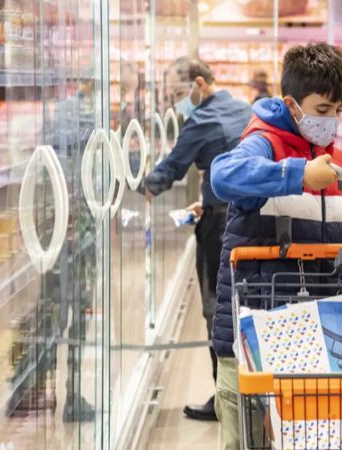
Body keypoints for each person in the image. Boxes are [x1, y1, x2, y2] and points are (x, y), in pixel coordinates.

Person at [209, 43, 342, 450]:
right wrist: (296, 174)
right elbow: (223, 175)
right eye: (323, 109)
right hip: (250, 334)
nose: (331, 120)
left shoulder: (338, 160)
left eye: (338, 110)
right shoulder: (264, 142)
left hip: (315, 336)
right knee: (245, 439)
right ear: (292, 105)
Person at [143, 57, 252, 421]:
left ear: (200, 83)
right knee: (244, 305)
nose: (176, 100)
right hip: (247, 218)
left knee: (216, 309)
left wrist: (136, 186)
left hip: (220, 227)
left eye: (179, 92)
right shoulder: (242, 108)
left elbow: (171, 168)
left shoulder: (201, 119)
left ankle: (225, 400)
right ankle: (249, 394)